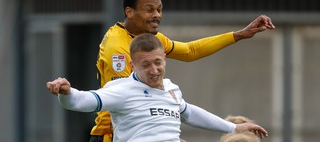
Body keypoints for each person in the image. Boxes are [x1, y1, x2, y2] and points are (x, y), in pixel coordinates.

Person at [91, 0, 275, 142]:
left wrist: (238, 35)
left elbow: (189, 51)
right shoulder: (118, 50)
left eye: (159, 9)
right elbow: (133, 103)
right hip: (113, 134)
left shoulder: (147, 39)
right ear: (129, 12)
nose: (156, 15)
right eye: (149, 10)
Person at [47, 33, 269, 142]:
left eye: (157, 63)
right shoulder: (121, 89)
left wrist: (232, 128)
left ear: (165, 60)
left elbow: (189, 113)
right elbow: (83, 101)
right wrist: (67, 92)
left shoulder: (172, 89)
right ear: (133, 65)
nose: (154, 70)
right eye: (146, 65)